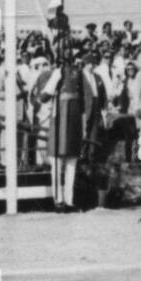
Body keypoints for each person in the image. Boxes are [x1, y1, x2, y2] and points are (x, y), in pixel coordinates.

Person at [38, 43, 95, 212]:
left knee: (67, 163)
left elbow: (86, 101)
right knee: (64, 163)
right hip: (65, 119)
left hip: (70, 120)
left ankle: (65, 201)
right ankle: (62, 201)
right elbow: (44, 97)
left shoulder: (73, 74)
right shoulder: (64, 73)